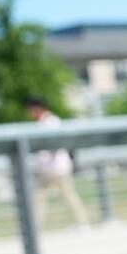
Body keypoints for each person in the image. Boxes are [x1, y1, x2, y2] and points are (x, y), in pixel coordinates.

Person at [25, 97, 91, 230]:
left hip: (56, 167)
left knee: (65, 195)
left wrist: (41, 161)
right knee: (41, 197)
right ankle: (36, 227)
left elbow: (52, 146)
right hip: (48, 168)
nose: (30, 113)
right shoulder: (44, 123)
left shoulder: (50, 122)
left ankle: (82, 223)